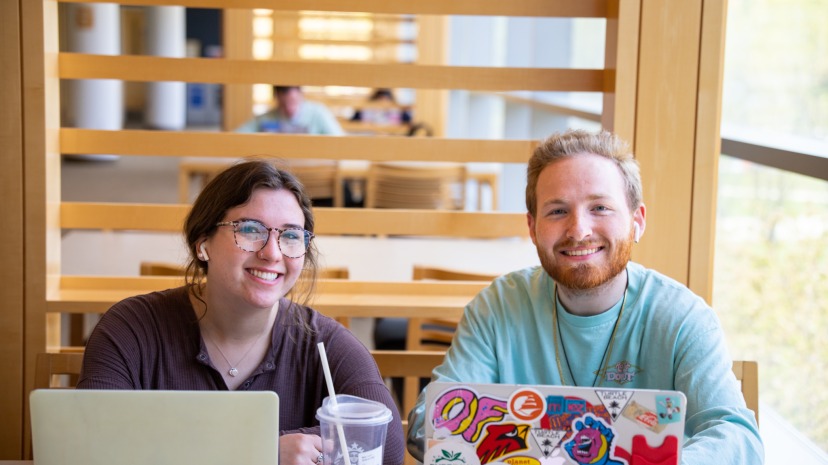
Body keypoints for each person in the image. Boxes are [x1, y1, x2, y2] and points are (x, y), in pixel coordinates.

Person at [407, 129, 763, 464]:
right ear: (532, 228)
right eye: (557, 211)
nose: (578, 230)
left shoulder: (682, 317)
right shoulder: (498, 307)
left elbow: (737, 436)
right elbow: (431, 421)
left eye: (600, 208)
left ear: (637, 221)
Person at [78, 159, 404, 465]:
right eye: (250, 230)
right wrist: (261, 451)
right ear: (202, 242)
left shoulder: (323, 342)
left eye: (290, 235)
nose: (272, 252)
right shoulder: (133, 330)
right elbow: (90, 443)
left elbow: (387, 443)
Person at [236, 86, 345, 135]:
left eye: (293, 102)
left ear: (301, 95)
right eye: (284, 104)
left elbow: (339, 140)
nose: (289, 109)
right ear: (277, 98)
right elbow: (238, 135)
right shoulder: (267, 118)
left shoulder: (319, 113)